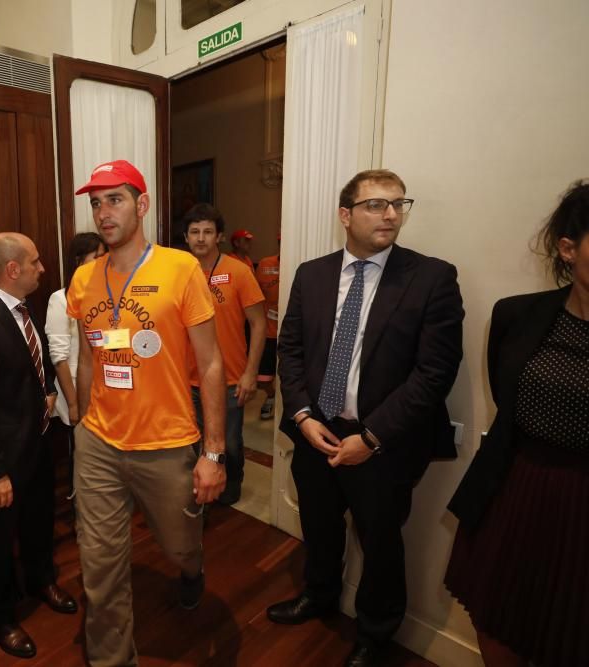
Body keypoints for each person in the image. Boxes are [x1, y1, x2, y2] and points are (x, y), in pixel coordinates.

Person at [268, 169, 463, 667]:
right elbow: (290, 350)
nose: (392, 214)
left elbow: (434, 372)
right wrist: (304, 413)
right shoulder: (311, 274)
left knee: (379, 541)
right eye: (377, 204)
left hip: (384, 440)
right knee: (319, 523)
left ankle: (375, 634)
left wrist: (372, 438)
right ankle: (320, 595)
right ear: (345, 214)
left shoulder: (431, 277)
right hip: (316, 428)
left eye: (399, 204)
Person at [67, 159, 227, 666]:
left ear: (142, 204)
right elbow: (91, 353)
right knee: (100, 564)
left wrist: (214, 453)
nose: (103, 211)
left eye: (114, 199)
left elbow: (212, 362)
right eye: (95, 202)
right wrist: (80, 421)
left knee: (181, 545)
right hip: (98, 442)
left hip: (165, 442)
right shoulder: (84, 279)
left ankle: (190, 569)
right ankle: (111, 659)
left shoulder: (180, 269)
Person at [445, 180, 589, 667]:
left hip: (582, 505)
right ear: (568, 249)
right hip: (515, 491)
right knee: (498, 618)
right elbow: (507, 403)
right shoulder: (518, 315)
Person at [0, 232, 77, 660]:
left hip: (37, 445)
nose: (43, 268)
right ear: (12, 269)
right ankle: (0, 616)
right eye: (36, 262)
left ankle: (41, 581)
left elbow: (29, 367)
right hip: (2, 461)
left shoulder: (24, 311)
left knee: (40, 522)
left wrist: (44, 391)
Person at [182, 203, 267, 505]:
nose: (201, 238)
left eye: (208, 232)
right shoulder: (179, 273)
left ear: (219, 236)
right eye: (195, 232)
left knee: (229, 443)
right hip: (186, 380)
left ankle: (231, 488)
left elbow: (259, 324)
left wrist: (250, 373)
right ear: (186, 237)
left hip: (230, 378)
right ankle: (201, 490)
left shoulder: (238, 272)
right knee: (194, 443)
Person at [45, 231, 107, 426]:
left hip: (105, 388)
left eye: (105, 257)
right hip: (75, 388)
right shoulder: (60, 299)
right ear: (79, 261)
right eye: (97, 258)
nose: (103, 263)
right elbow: (59, 357)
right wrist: (73, 404)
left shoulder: (107, 297)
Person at [255, 236, 281, 420]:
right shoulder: (265, 264)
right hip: (269, 332)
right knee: (263, 379)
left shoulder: (301, 263)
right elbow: (255, 295)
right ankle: (271, 396)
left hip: (291, 334)